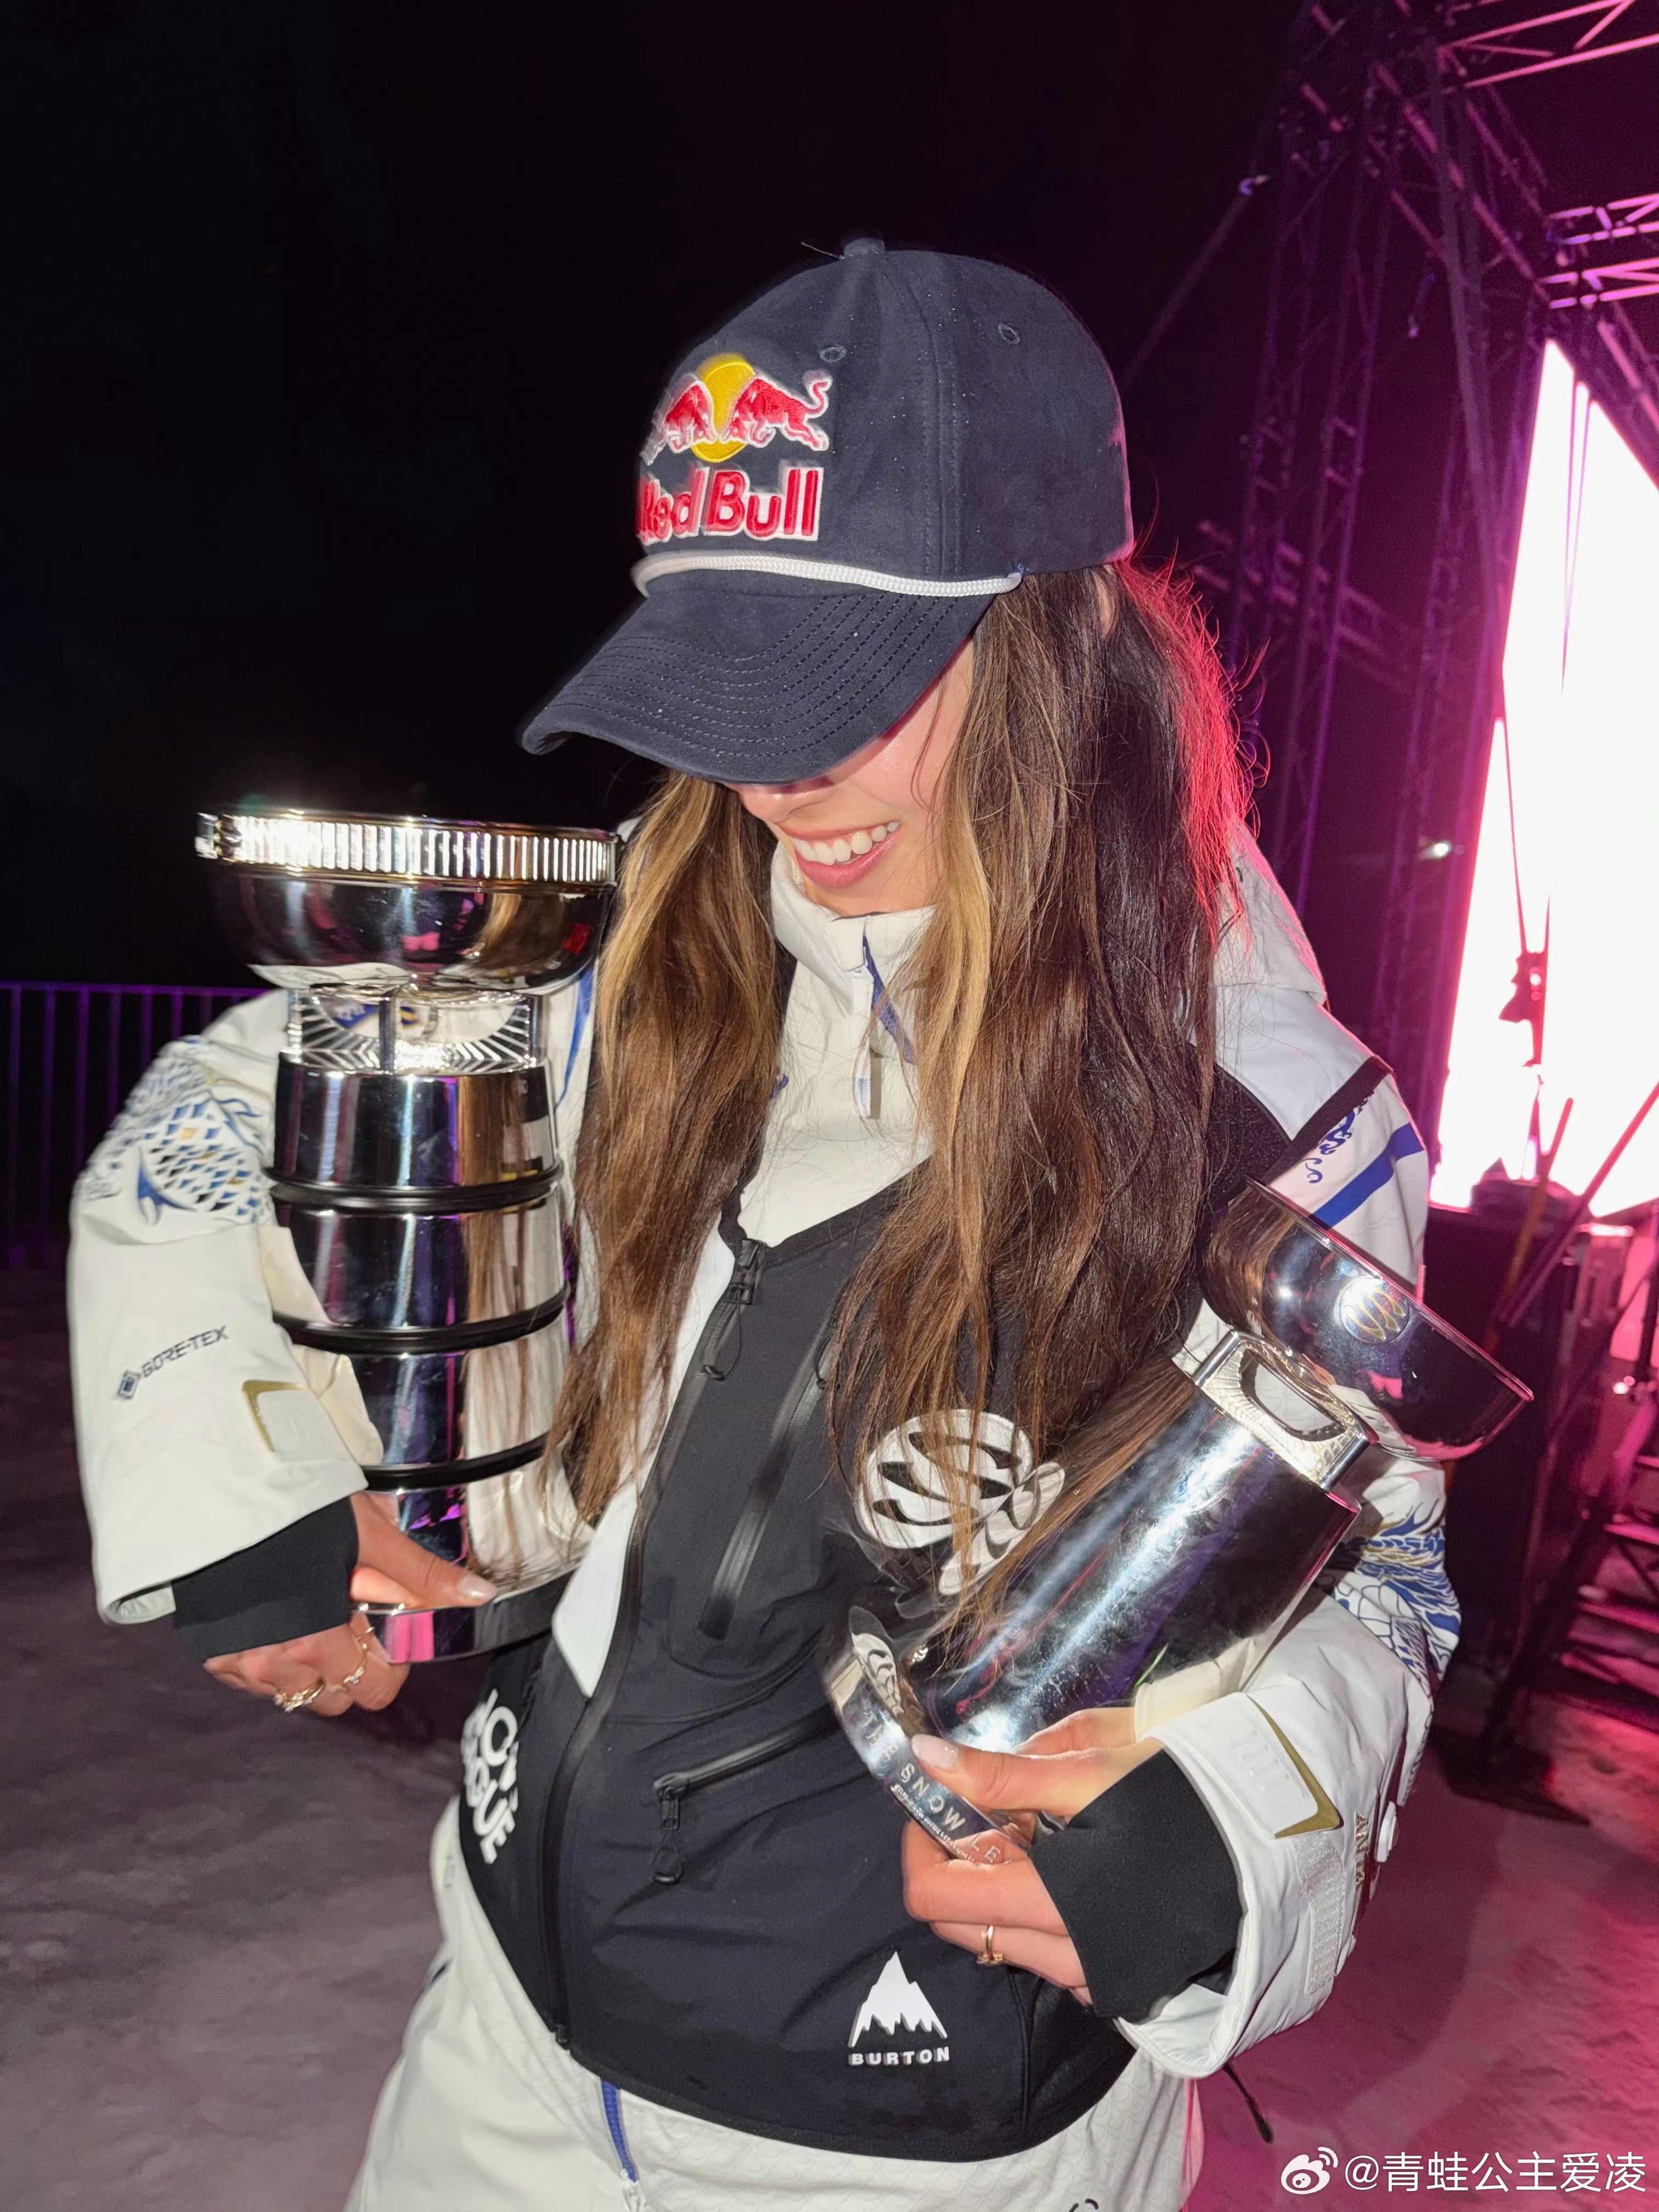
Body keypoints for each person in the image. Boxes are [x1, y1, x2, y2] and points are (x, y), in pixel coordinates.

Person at [69, 244, 1454, 2212]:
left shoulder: (1268, 1106)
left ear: (1061, 642)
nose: (777, 775)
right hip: (505, 2048)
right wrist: (251, 1499)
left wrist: (1230, 1831)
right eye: (725, 684)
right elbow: (222, 1113)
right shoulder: (638, 952)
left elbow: (1388, 1571)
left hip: (919, 2147)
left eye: (851, 688)